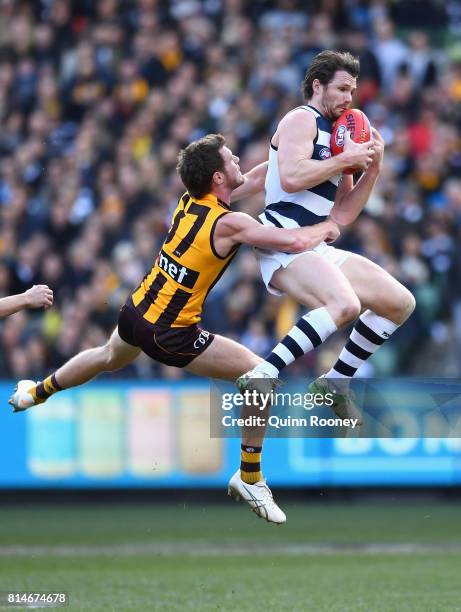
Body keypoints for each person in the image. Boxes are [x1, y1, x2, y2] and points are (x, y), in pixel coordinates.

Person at [9, 133, 339, 524]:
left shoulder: (189, 200)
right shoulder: (230, 223)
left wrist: (294, 156)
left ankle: (37, 391)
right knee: (260, 376)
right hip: (171, 332)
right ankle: (250, 476)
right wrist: (328, 226)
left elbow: (254, 179)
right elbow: (296, 241)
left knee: (106, 356)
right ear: (217, 178)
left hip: (137, 310)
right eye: (231, 159)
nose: (238, 161)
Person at [237, 50, 415, 419]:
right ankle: (263, 373)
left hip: (315, 242)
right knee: (345, 305)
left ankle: (336, 380)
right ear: (317, 86)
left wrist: (373, 168)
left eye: (352, 91)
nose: (349, 98)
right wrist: (344, 161)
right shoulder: (301, 120)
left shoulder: (340, 134)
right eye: (342, 89)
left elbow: (343, 213)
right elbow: (291, 177)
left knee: (399, 302)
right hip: (282, 238)